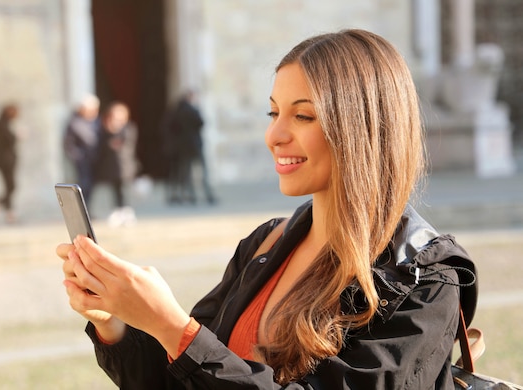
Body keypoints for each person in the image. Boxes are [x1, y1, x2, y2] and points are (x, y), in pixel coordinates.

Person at [56, 29, 478, 388]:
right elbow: (181, 378)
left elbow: (194, 351)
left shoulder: (427, 278)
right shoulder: (266, 243)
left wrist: (173, 328)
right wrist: (115, 322)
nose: (273, 135)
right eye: (273, 112)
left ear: (362, 129)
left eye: (303, 116)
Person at [163, 90, 216, 205]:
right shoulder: (192, 110)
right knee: (202, 171)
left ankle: (190, 195)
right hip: (195, 144)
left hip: (183, 146)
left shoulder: (177, 112)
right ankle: (207, 194)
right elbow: (201, 123)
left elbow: (171, 128)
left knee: (186, 172)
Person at [93, 101, 138, 227]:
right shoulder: (106, 129)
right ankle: (118, 212)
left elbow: (121, 144)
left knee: (124, 191)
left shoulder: (128, 128)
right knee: (115, 190)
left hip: (124, 166)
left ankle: (127, 213)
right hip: (113, 167)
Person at [63, 94, 100, 206]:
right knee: (84, 185)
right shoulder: (75, 122)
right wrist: (78, 157)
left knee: (91, 186)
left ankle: (88, 210)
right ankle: (83, 210)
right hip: (82, 161)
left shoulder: (96, 121)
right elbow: (68, 144)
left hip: (95, 159)